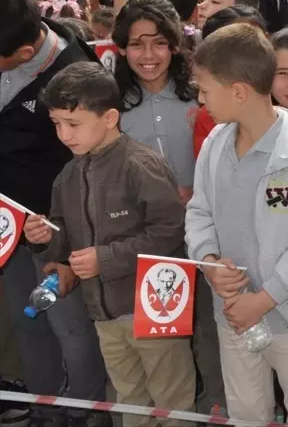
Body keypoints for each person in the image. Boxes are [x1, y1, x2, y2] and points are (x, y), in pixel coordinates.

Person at [25, 61, 194, 427]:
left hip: (155, 307)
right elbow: (64, 232)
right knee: (129, 400)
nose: (64, 134)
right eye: (56, 124)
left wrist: (106, 259)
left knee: (172, 402)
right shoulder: (68, 174)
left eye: (73, 123)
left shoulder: (141, 165)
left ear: (110, 117)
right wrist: (43, 238)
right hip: (104, 314)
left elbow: (170, 231)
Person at [185, 24, 288, 425]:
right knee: (247, 412)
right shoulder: (215, 144)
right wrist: (209, 260)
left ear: (237, 91)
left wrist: (265, 298)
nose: (200, 100)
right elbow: (199, 213)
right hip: (232, 314)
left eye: (204, 90)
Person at [0, 0, 109, 426]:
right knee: (26, 320)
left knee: (69, 328)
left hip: (57, 232)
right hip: (10, 227)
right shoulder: (12, 37)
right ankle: (45, 408)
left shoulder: (74, 75)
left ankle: (83, 413)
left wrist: (65, 240)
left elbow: (89, 167)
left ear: (26, 53)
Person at [112, 0, 198, 201]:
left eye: (159, 43)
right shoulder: (111, 106)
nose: (148, 55)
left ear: (174, 46)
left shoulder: (202, 97)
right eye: (136, 44)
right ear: (122, 48)